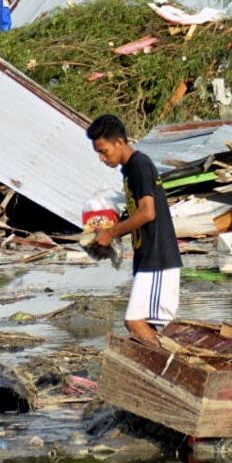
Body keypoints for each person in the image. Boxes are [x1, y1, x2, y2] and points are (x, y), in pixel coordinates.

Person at [87, 114, 182, 346]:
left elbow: (148, 213)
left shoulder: (139, 165)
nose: (101, 158)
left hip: (159, 257)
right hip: (148, 257)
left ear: (120, 142)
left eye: (104, 151)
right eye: (98, 153)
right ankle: (165, 369)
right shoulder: (129, 169)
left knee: (135, 322)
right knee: (142, 324)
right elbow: (139, 214)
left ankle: (170, 370)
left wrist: (110, 233)